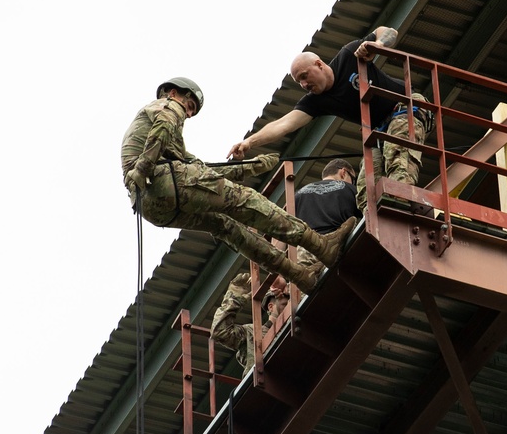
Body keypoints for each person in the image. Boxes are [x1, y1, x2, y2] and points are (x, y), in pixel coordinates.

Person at [121, 77, 356, 293]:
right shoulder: (167, 106)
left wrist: (255, 166)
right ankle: (321, 246)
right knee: (247, 201)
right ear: (174, 93)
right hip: (161, 178)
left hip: (151, 206)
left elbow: (203, 172)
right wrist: (143, 168)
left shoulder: (168, 146)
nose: (188, 113)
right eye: (189, 105)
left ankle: (299, 276)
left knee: (226, 227)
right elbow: (164, 124)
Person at [226, 26, 433, 211]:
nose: (304, 85)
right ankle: (378, 221)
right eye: (299, 82)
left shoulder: (348, 56)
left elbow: (388, 32)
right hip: (380, 130)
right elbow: (284, 124)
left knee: (398, 160)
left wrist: (376, 45)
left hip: (405, 107)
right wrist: (249, 142)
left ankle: (401, 208)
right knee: (365, 190)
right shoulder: (316, 101)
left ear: (319, 64)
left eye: (305, 76)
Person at [293, 158, 363, 283]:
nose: (352, 183)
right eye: (352, 179)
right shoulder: (350, 189)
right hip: (334, 247)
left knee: (306, 291)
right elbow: (365, 213)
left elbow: (286, 225)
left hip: (305, 249)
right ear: (343, 172)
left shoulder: (298, 194)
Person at [211, 273, 288, 372]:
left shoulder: (298, 324)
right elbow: (220, 333)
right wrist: (234, 300)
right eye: (285, 304)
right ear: (271, 307)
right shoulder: (252, 332)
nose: (288, 308)